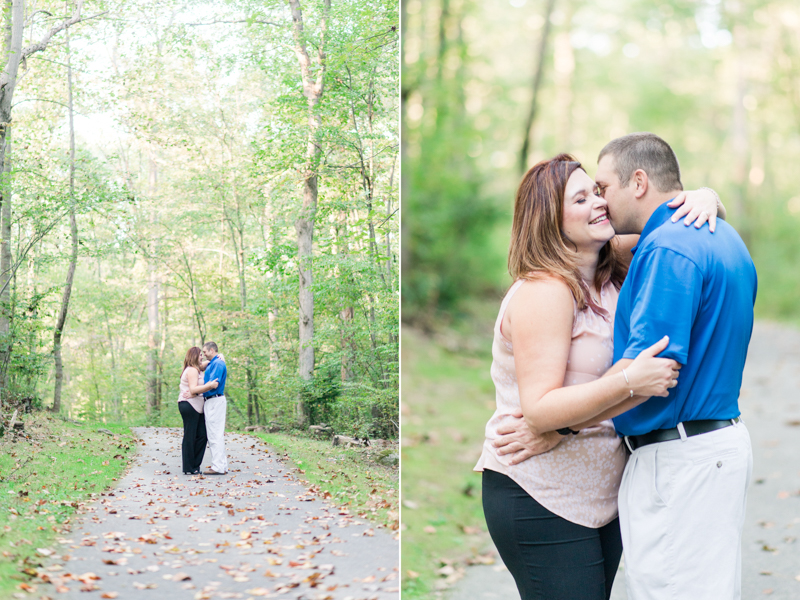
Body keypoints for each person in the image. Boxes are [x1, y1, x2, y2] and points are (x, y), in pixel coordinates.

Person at [473, 153, 724, 600]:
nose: (599, 204)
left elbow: (671, 214)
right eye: (581, 198)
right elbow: (541, 408)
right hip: (541, 494)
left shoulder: (609, 271)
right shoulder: (546, 291)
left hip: (602, 497)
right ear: (550, 220)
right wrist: (630, 381)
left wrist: (707, 197)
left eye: (598, 192)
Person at [594, 132, 756, 600]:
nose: (601, 201)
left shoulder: (668, 248)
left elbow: (646, 373)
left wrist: (554, 422)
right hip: (710, 447)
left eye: (604, 187)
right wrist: (709, 196)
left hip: (681, 459)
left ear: (638, 181)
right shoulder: (722, 235)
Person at [178, 347, 218, 475]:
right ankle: (189, 467)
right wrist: (210, 386)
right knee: (190, 435)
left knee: (202, 435)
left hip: (197, 405)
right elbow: (194, 389)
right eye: (200, 355)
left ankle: (195, 465)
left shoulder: (197, 368)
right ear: (194, 356)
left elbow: (208, 363)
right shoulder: (192, 371)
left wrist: (219, 356)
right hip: (189, 405)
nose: (202, 357)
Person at [198, 341, 227, 475]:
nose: (203, 355)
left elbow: (213, 384)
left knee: (214, 434)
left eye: (204, 352)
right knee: (215, 433)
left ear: (211, 350)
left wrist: (196, 392)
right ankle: (222, 465)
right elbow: (198, 366)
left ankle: (217, 467)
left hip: (214, 400)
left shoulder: (218, 363)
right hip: (212, 400)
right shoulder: (213, 363)